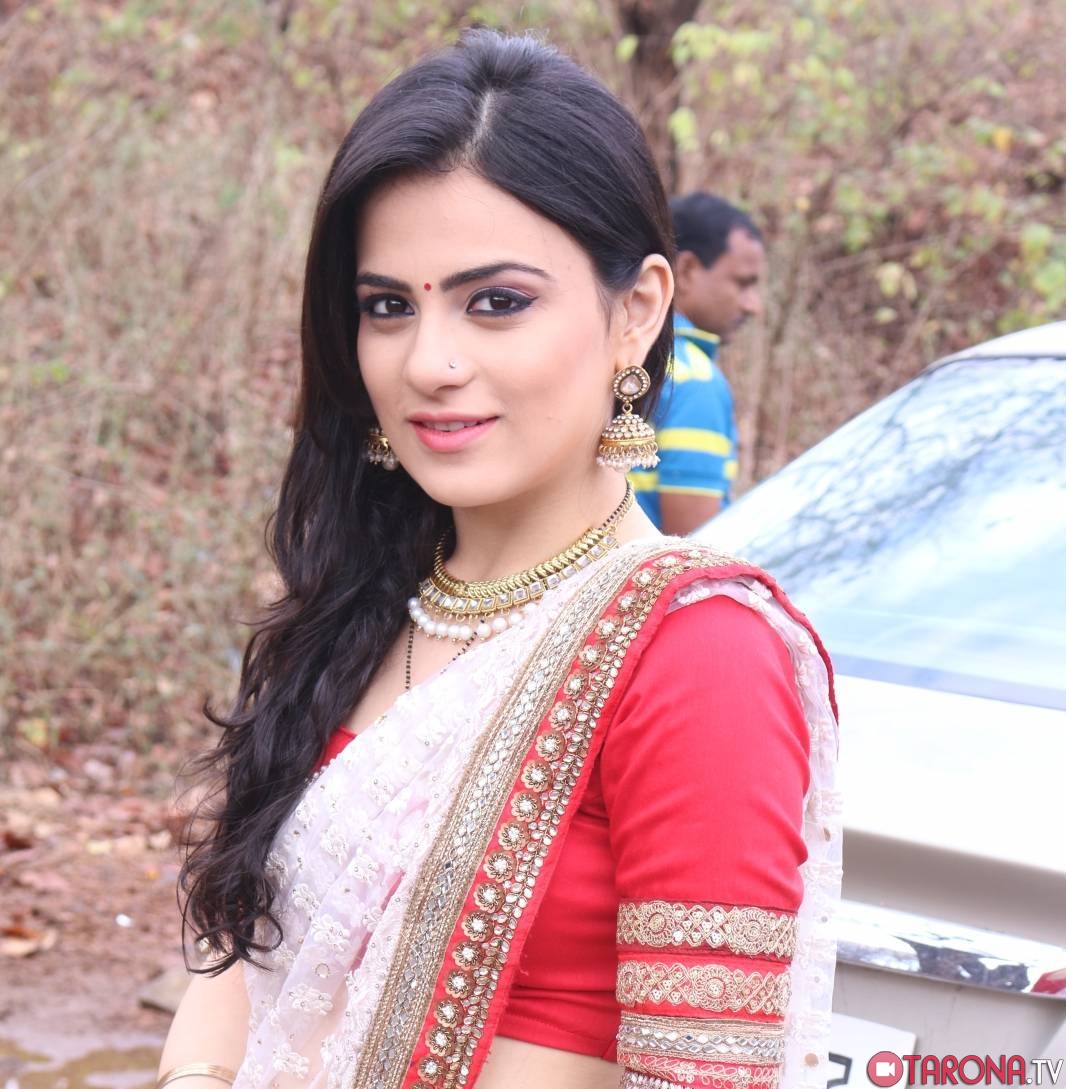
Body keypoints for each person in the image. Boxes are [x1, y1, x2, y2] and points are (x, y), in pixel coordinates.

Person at [159, 31, 840, 1089]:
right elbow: (247, 955)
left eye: (497, 302)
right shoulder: (357, 610)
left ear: (636, 311)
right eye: (388, 306)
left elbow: (706, 1072)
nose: (429, 361)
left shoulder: (696, 655)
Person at [631, 193, 766, 535]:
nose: (752, 305)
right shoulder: (695, 380)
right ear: (687, 270)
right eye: (742, 283)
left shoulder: (622, 350)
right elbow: (692, 548)